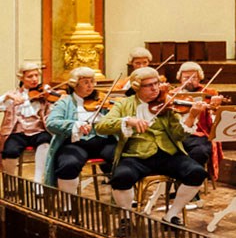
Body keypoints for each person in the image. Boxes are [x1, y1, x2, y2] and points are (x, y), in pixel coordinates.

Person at [95, 67, 208, 225]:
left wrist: (192, 116)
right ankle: (126, 218)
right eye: (149, 85)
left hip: (167, 154)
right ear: (136, 88)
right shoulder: (124, 105)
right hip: (135, 156)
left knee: (197, 173)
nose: (155, 88)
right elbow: (101, 126)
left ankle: (172, 215)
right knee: (121, 177)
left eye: (156, 83)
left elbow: (178, 135)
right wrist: (128, 121)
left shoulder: (166, 104)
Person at [44, 67, 116, 196]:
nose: (91, 86)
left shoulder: (102, 101)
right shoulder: (64, 103)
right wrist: (75, 125)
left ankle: (122, 197)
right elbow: (51, 123)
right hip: (75, 143)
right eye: (86, 82)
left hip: (103, 141)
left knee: (122, 158)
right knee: (68, 164)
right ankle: (68, 202)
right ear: (75, 84)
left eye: (92, 81)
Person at [2, 63, 52, 177]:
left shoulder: (43, 94)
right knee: (10, 151)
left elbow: (51, 113)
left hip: (38, 131)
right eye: (30, 76)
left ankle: (38, 182)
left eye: (36, 75)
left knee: (45, 141)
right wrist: (7, 97)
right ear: (21, 78)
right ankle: (10, 181)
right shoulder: (14, 95)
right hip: (18, 132)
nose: (34, 79)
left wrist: (56, 98)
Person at [172, 61, 216, 170]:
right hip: (175, 133)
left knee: (200, 152)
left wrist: (214, 107)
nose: (190, 81)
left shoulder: (208, 93)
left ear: (200, 78)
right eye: (186, 78)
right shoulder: (173, 94)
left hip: (198, 134)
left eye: (194, 78)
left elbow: (215, 118)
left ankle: (191, 178)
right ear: (180, 78)